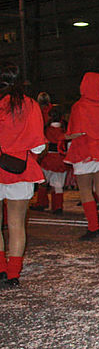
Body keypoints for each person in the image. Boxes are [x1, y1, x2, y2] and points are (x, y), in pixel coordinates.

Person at [0, 63, 47, 288]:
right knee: (17, 224)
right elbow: (38, 146)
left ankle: (0, 267)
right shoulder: (30, 105)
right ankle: (13, 273)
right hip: (22, 168)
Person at [65, 72, 99, 241]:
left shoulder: (79, 106)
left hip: (84, 150)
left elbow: (75, 133)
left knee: (85, 191)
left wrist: (64, 137)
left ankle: (93, 228)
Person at [36, 107, 68, 214]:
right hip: (61, 160)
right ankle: (58, 207)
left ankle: (41, 203)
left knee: (43, 183)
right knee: (58, 185)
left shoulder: (47, 130)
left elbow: (44, 146)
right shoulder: (64, 130)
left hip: (48, 159)